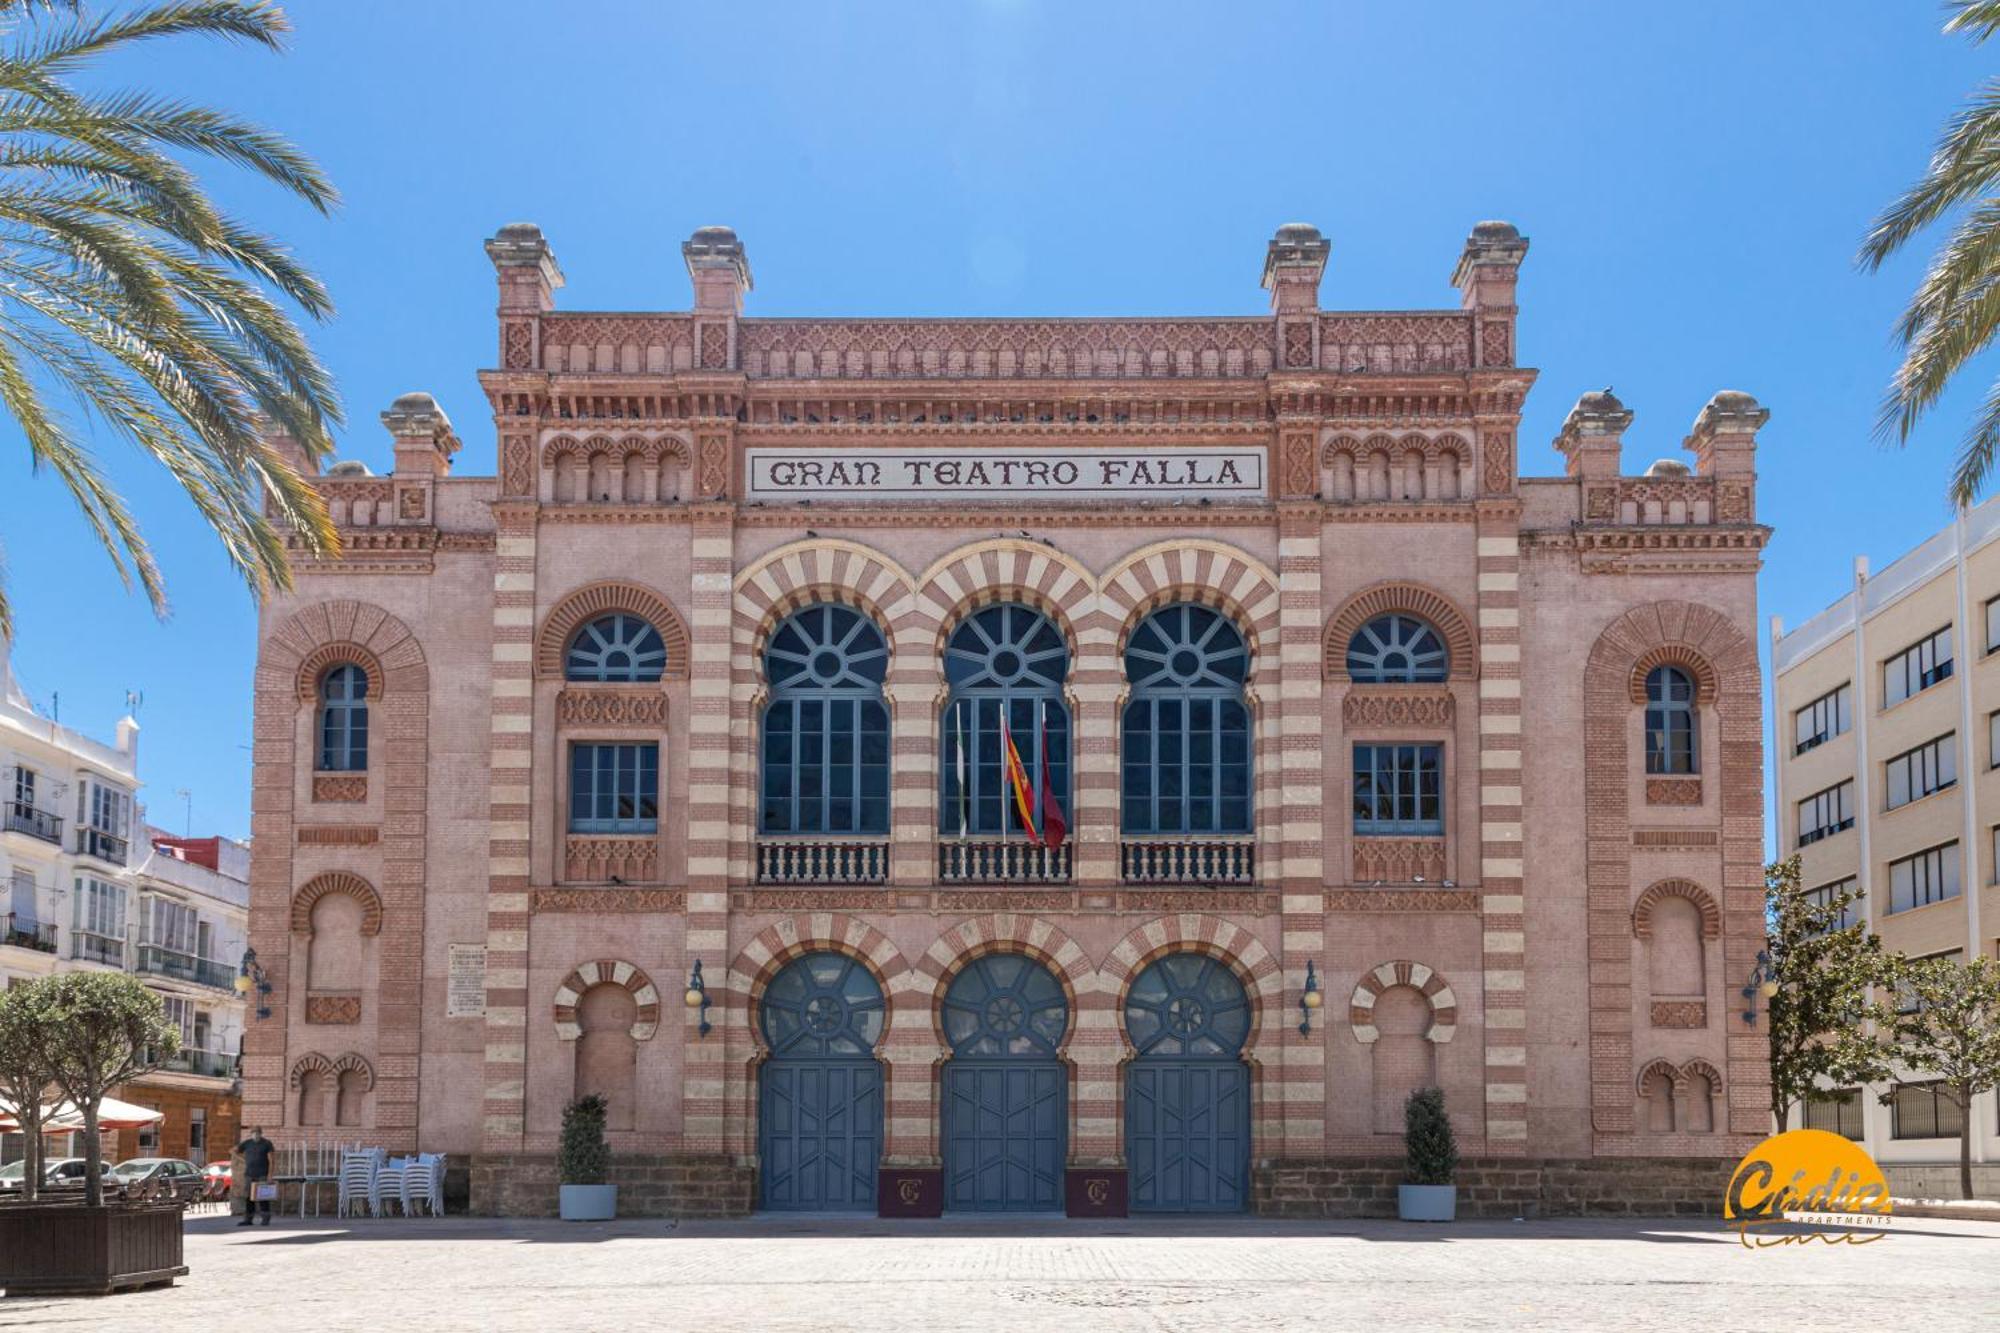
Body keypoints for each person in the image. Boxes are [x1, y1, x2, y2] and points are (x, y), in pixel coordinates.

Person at [236, 1127, 274, 1227]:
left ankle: (265, 1218)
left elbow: (271, 1160)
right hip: (249, 1174)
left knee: (263, 1197)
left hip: (262, 1174)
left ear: (261, 1134)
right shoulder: (247, 1143)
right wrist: (245, 1159)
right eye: (254, 1133)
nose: (256, 1135)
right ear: (251, 1134)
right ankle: (248, 1219)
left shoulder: (267, 1143)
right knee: (249, 1197)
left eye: (258, 1133)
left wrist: (270, 1175)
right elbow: (234, 1151)